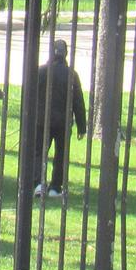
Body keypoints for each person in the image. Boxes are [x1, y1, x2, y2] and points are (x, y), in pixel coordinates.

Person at [30, 39, 87, 198]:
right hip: (63, 122)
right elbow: (78, 101)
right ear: (65, 54)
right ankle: (55, 187)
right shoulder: (71, 75)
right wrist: (82, 126)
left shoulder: (40, 72)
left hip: (42, 120)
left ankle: (38, 184)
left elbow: (30, 96)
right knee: (61, 154)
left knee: (38, 152)